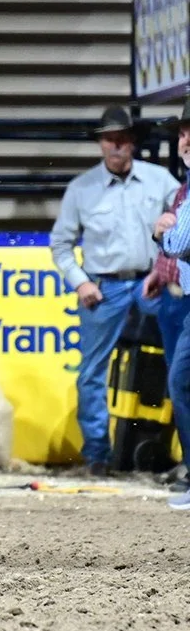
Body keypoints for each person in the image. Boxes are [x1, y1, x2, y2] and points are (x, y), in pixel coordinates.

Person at [50, 104, 180, 477]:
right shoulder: (81, 189)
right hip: (103, 286)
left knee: (180, 357)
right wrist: (81, 281)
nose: (116, 146)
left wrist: (167, 268)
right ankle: (98, 456)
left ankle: (179, 449)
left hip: (149, 281)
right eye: (110, 139)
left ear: (133, 142)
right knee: (91, 372)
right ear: (101, 144)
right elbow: (61, 244)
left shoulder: (162, 183)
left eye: (122, 139)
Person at [143, 100, 190, 492]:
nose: (185, 139)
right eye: (183, 132)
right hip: (178, 294)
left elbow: (181, 240)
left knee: (182, 381)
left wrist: (162, 234)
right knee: (180, 381)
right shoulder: (183, 188)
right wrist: (160, 270)